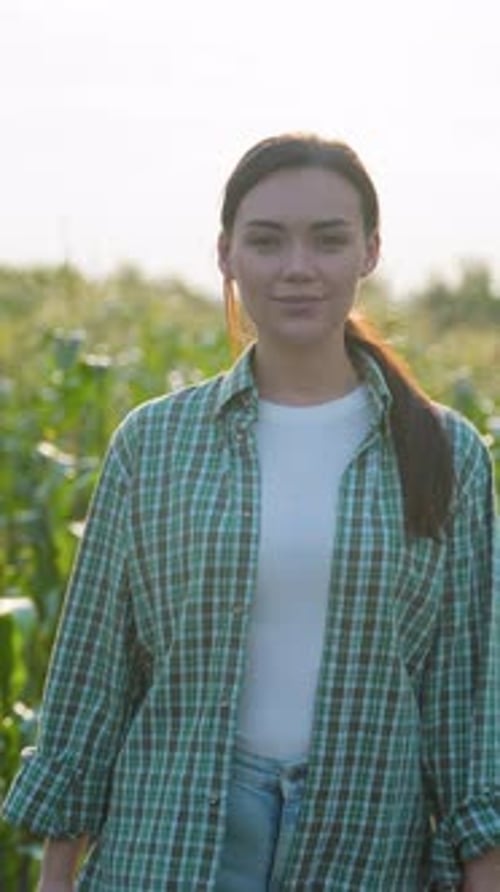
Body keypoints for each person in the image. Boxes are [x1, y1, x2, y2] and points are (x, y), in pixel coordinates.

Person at [3, 133, 500, 891]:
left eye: (328, 240)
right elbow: (92, 680)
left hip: (362, 849)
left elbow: (470, 706)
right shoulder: (155, 443)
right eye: (266, 241)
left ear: (368, 251)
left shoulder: (445, 452)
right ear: (226, 254)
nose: (297, 267)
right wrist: (57, 878)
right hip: (169, 847)